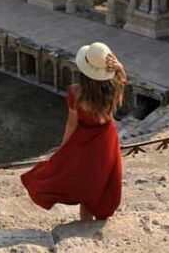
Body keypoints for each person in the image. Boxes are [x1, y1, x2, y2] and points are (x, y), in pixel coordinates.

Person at [21, 42, 126, 221]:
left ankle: (84, 225)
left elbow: (72, 123)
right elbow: (122, 78)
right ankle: (95, 223)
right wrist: (120, 68)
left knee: (85, 184)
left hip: (84, 141)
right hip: (106, 141)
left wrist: (63, 149)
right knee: (100, 181)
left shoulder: (76, 93)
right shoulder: (114, 88)